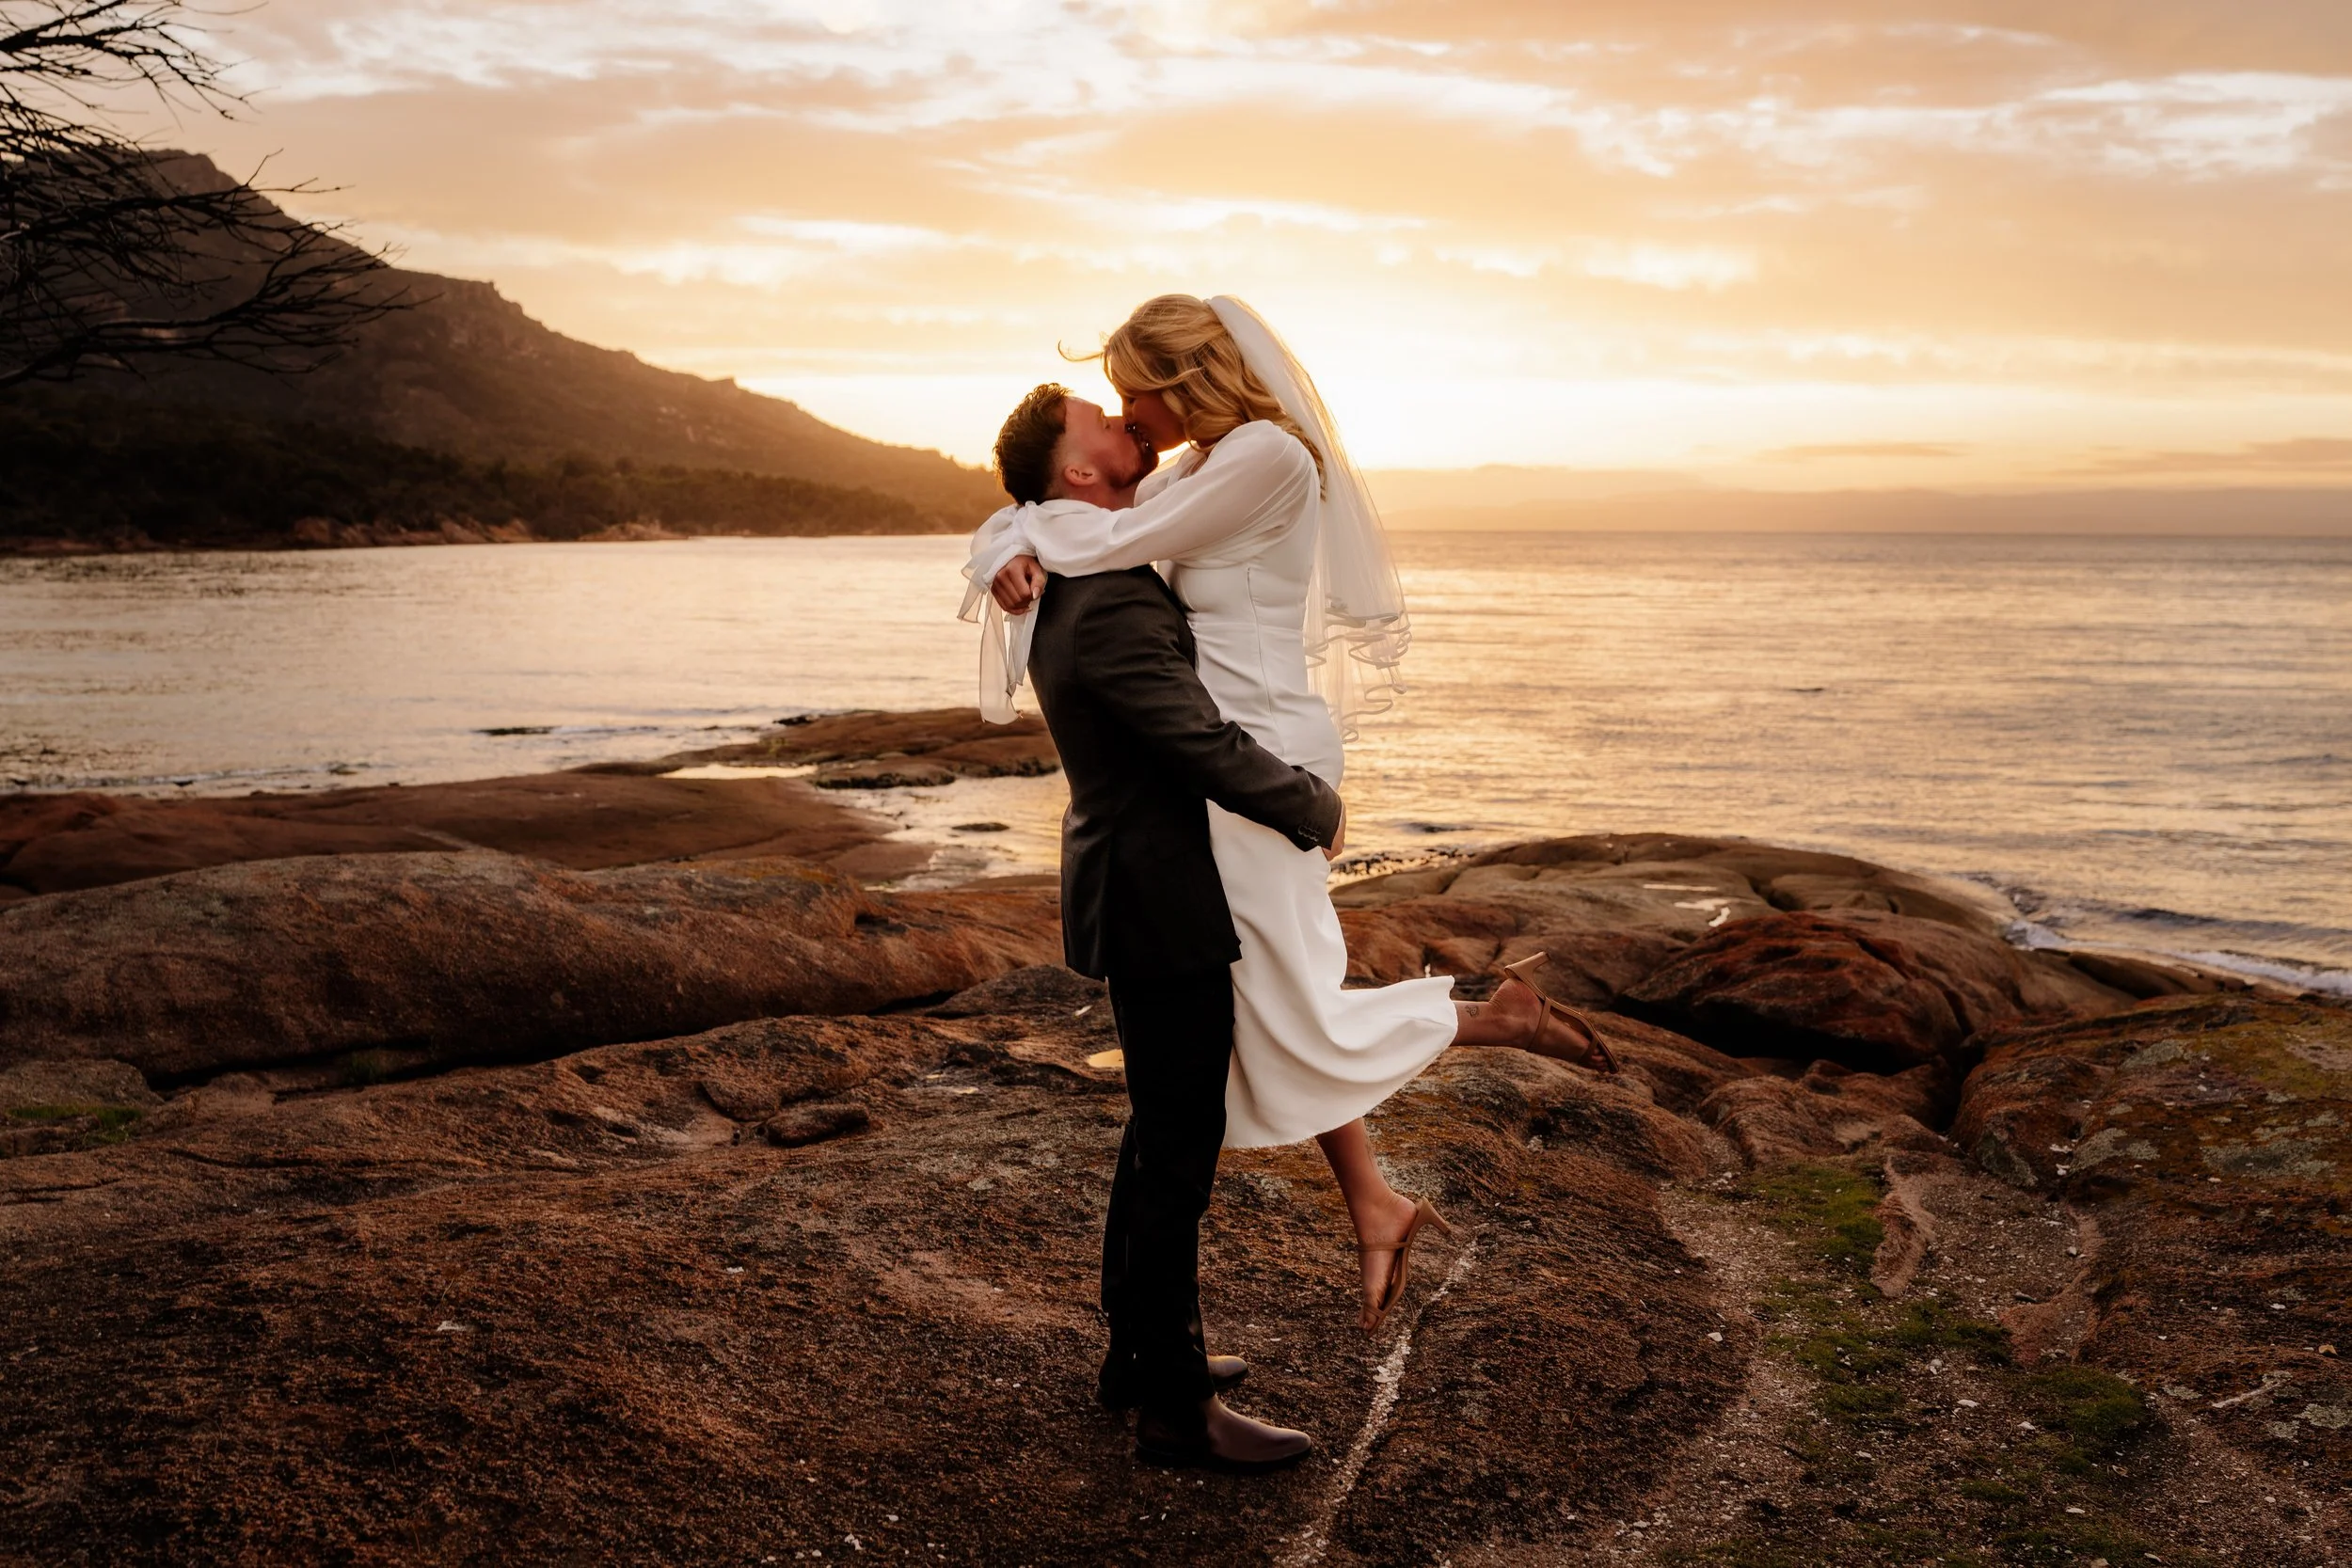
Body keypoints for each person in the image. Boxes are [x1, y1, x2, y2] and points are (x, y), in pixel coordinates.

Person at [961, 297, 1619, 1357]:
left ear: (1186, 378)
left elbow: (1115, 533)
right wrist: (1004, 533)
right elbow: (1077, 510)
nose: (1131, 415)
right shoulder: (1203, 462)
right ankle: (1373, 1197)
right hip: (1222, 757)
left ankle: (1482, 1022)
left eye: (1137, 390)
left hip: (1258, 755)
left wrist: (1015, 538)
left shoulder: (1264, 454)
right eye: (1115, 403)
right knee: (1267, 993)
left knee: (1281, 998)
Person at [983, 381, 1340, 1472]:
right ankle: (1175, 1411)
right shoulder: (1112, 596)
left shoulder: (1072, 555)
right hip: (1158, 890)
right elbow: (1194, 739)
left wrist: (1000, 538)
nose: (1123, 425)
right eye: (1101, 421)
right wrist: (1306, 802)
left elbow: (1026, 515)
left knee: (1157, 1133)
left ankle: (1136, 1357)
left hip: (1131, 879)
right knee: (1178, 1150)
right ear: (1079, 472)